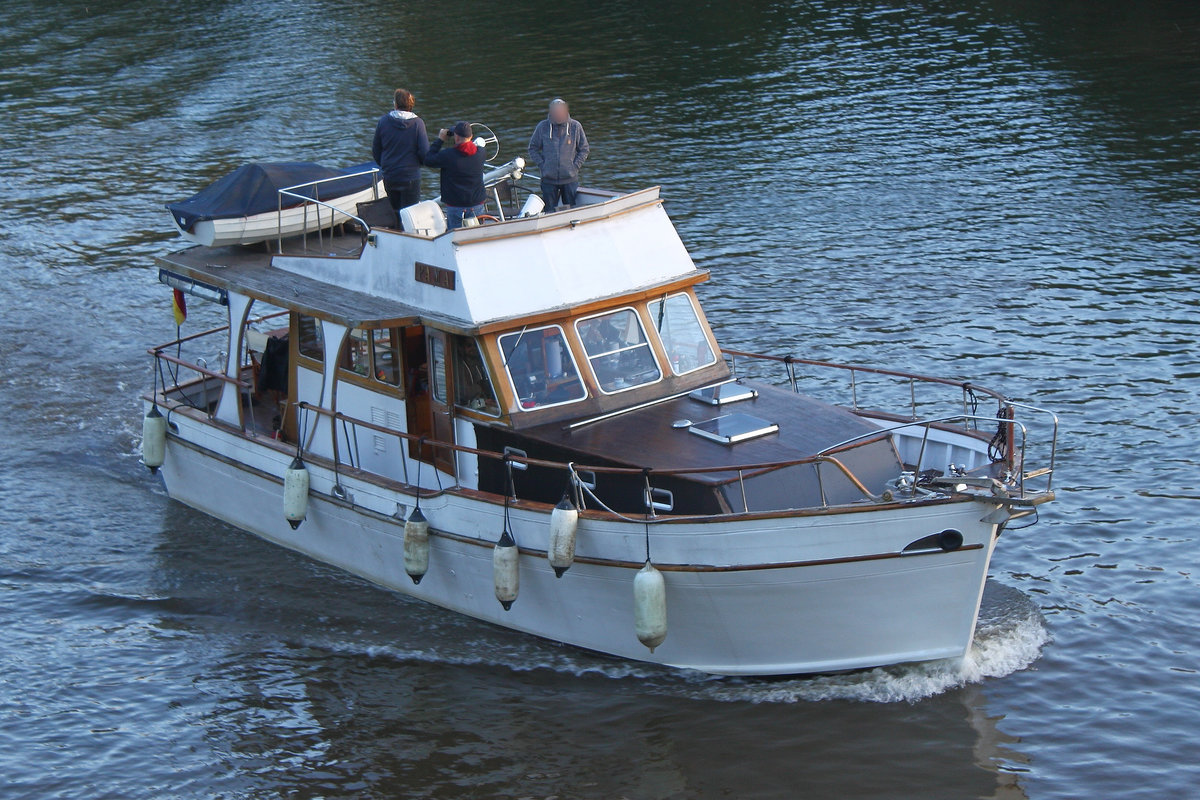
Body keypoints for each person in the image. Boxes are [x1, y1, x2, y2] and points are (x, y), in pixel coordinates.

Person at [372, 89, 430, 226]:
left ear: (396, 104)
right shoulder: (418, 124)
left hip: (390, 175)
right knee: (411, 216)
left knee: (394, 213)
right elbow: (424, 153)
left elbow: (376, 150)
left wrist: (385, 165)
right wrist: (418, 165)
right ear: (411, 105)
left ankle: (396, 236)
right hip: (410, 176)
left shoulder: (383, 122)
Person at [527, 98, 590, 212]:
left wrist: (574, 167)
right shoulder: (542, 127)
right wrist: (542, 165)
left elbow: (584, 149)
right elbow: (532, 148)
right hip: (548, 180)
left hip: (569, 179)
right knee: (550, 211)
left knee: (570, 211)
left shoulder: (575, 126)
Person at [425, 121, 486, 229]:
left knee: (455, 238)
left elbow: (428, 160)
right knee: (477, 235)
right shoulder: (480, 153)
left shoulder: (447, 155)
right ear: (471, 136)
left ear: (456, 138)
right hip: (477, 204)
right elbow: (478, 146)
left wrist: (440, 140)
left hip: (456, 206)